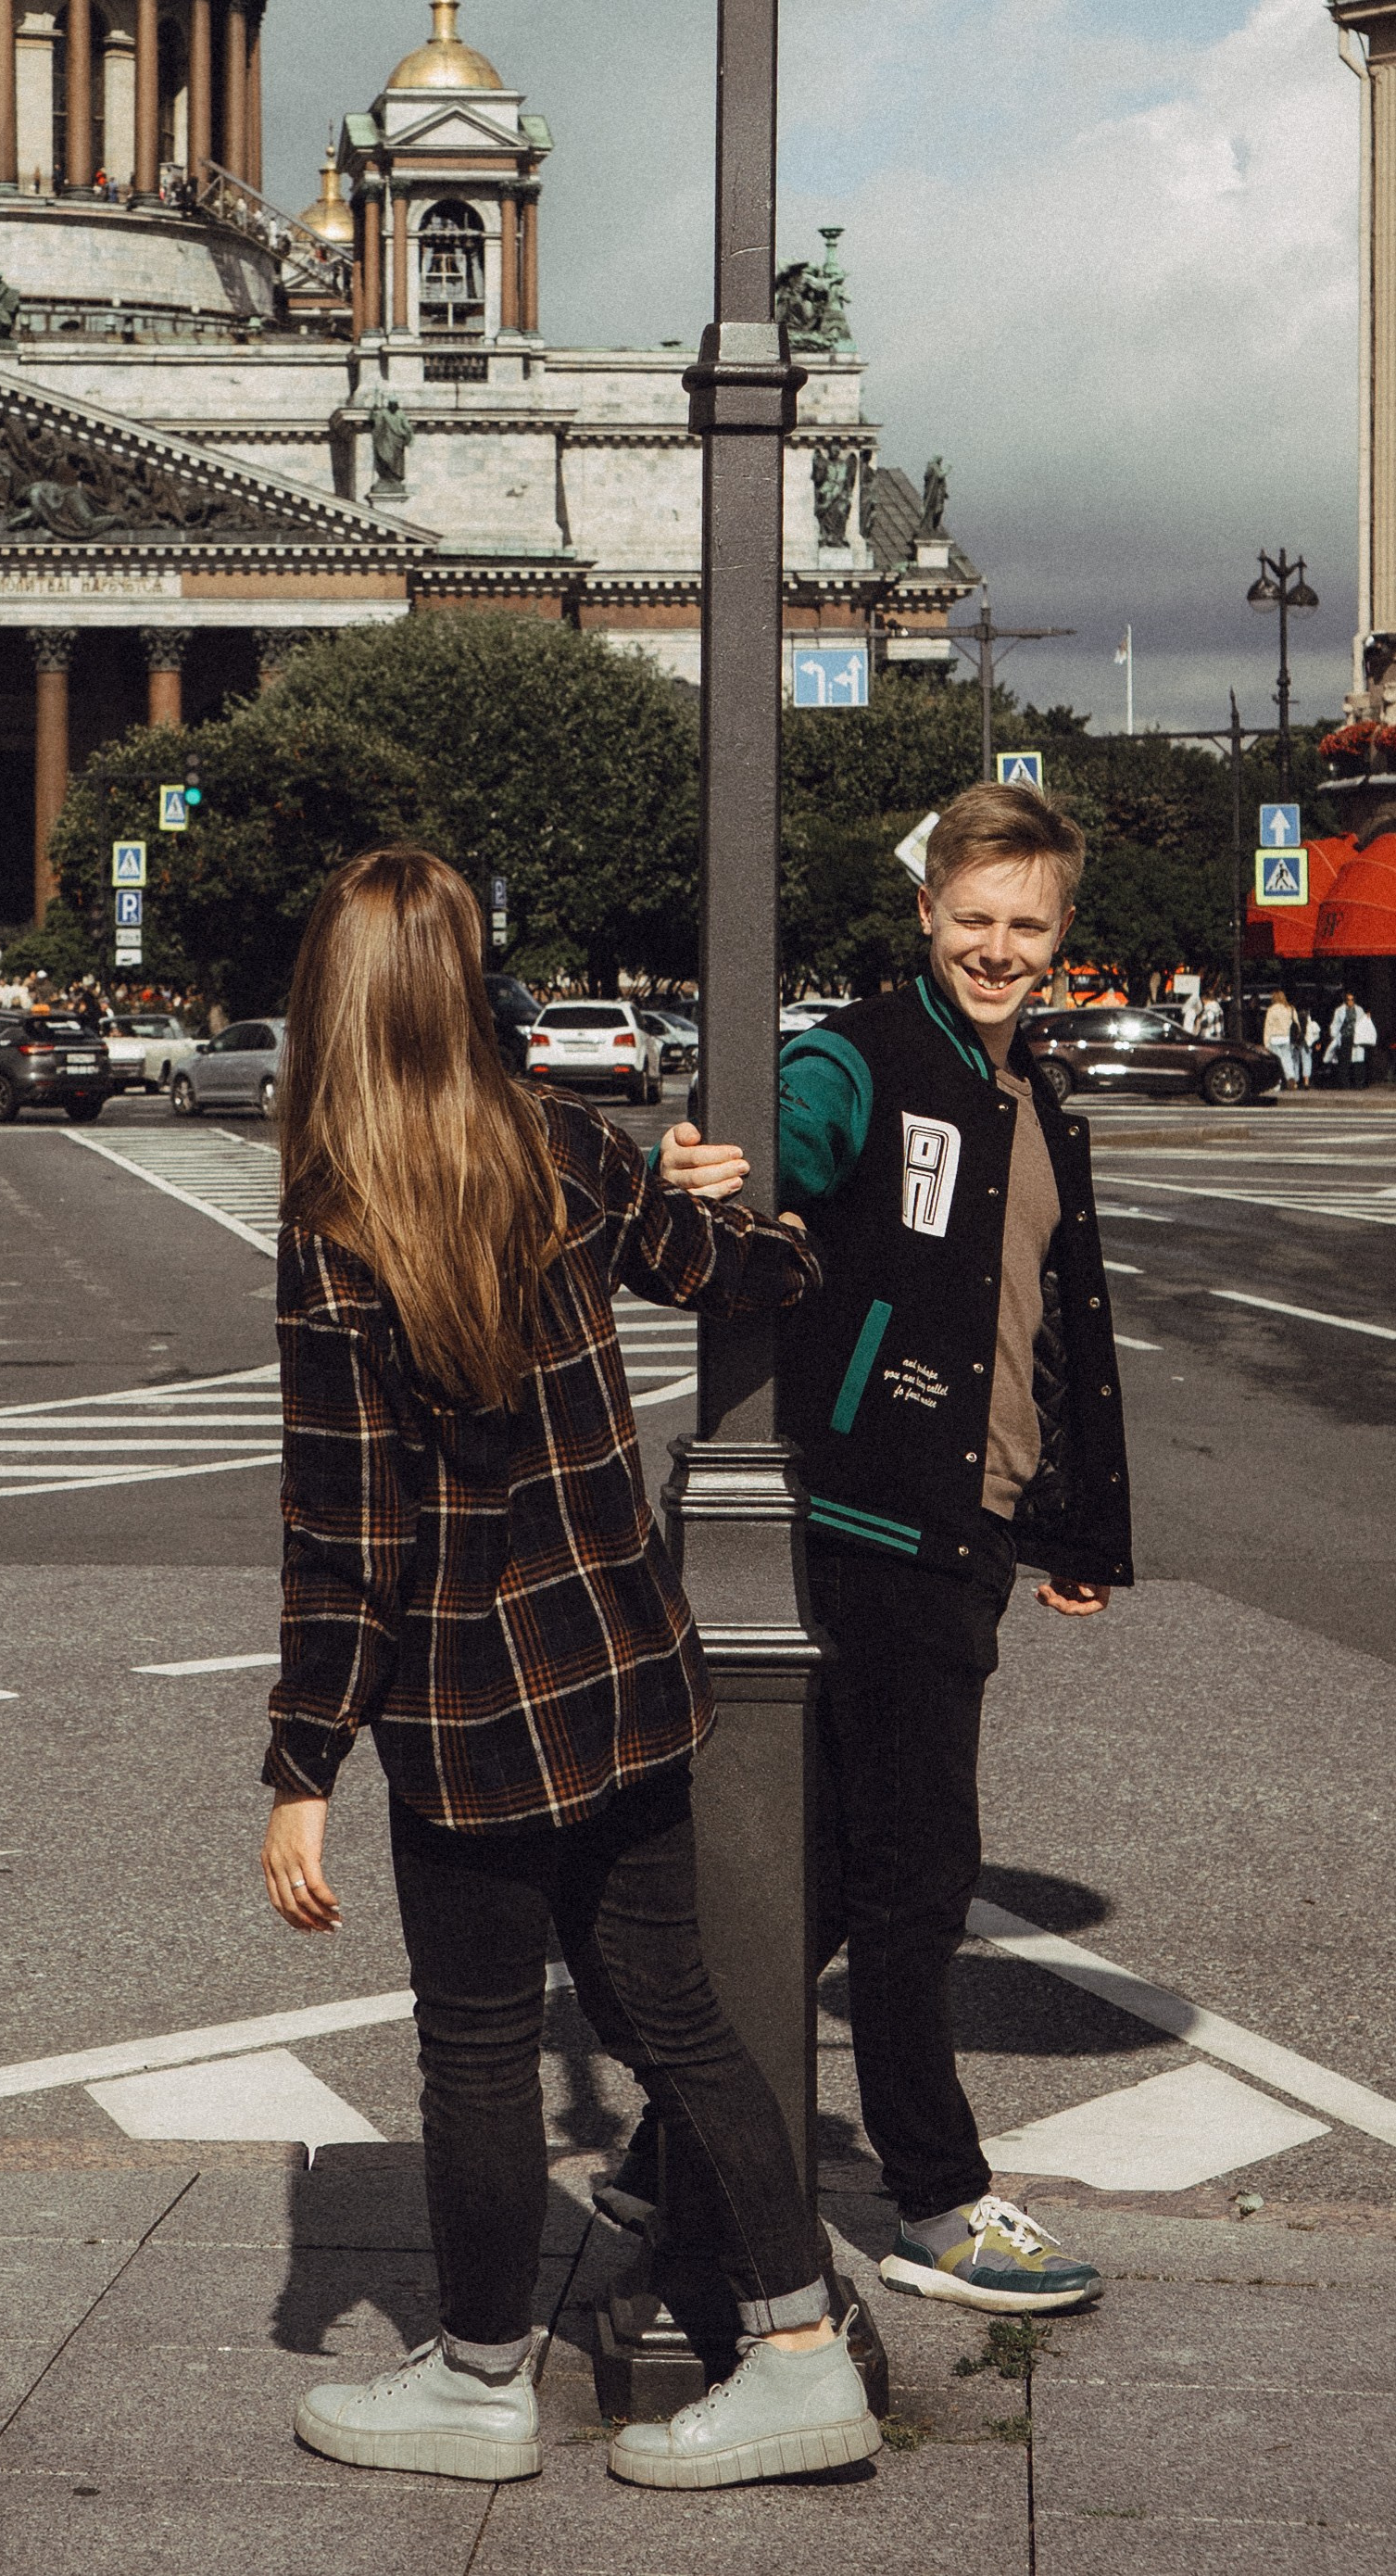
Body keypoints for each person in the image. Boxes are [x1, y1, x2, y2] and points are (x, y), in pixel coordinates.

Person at [262, 849, 880, 2495]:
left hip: (462, 1714)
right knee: (677, 2018)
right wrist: (720, 1201)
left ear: (331, 1000)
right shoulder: (556, 1146)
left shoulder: (335, 1221)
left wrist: (299, 1764)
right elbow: (748, 1273)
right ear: (469, 984)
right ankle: (801, 2348)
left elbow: (347, 1534)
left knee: (471, 2047)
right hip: (617, 1670)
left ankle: (475, 2381)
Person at [659, 780, 1128, 2319]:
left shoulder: (1025, 1084)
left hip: (964, 1518)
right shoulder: (862, 1055)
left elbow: (1044, 1322)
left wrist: (1063, 1516)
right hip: (867, 1518)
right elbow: (774, 1141)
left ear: (1058, 935)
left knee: (812, 1874)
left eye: (1026, 923)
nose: (997, 945)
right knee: (914, 1868)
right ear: (924, 912)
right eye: (973, 916)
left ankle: (678, 2147)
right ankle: (934, 2194)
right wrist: (709, 1164)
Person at [1263, 987, 1303, 1089]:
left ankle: (1277, 1084)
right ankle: (1291, 1078)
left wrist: (1266, 1042)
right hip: (1286, 1038)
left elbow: (1268, 1027)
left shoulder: (1271, 1010)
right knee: (1287, 1060)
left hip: (1274, 1039)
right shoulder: (1290, 1009)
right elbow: (1297, 1024)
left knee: (1276, 1062)